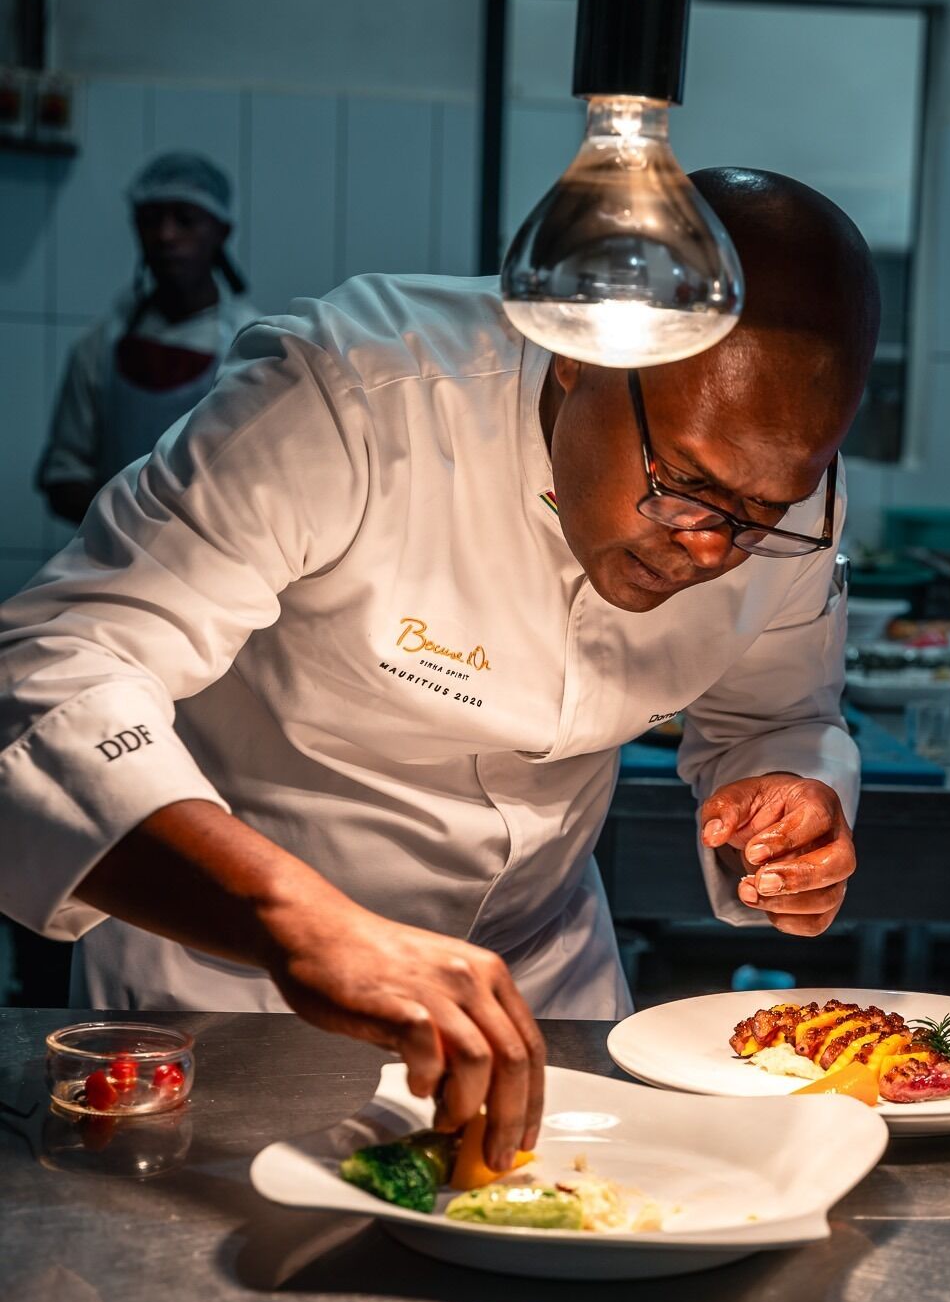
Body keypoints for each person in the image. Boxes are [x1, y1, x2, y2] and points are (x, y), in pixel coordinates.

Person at [0, 168, 878, 1170]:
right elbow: (45, 672)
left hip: (543, 991)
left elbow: (778, 709)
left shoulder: (775, 491)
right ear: (572, 359)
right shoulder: (353, 394)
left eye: (765, 511)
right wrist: (297, 920)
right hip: (229, 983)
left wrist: (788, 787)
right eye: (684, 487)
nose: (718, 550)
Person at [37, 151, 259, 526]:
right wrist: (129, 522)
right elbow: (63, 475)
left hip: (216, 570)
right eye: (151, 221)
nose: (166, 235)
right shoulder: (100, 345)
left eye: (185, 220)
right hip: (106, 563)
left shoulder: (252, 347)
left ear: (221, 232)